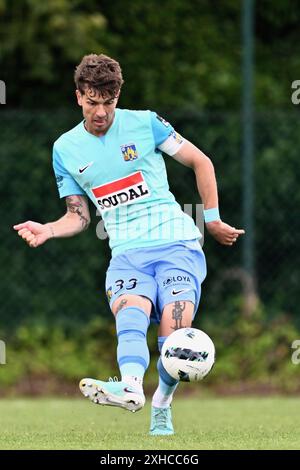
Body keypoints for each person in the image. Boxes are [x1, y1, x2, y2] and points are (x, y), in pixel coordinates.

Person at [14, 54, 245, 436]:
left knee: (175, 330)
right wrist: (49, 230)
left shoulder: (146, 123)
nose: (101, 112)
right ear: (78, 97)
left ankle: (161, 405)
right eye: (92, 102)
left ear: (118, 96)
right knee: (131, 315)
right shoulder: (65, 149)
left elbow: (201, 162)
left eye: (108, 102)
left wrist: (213, 219)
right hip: (126, 255)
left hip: (177, 243)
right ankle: (132, 389)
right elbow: (79, 215)